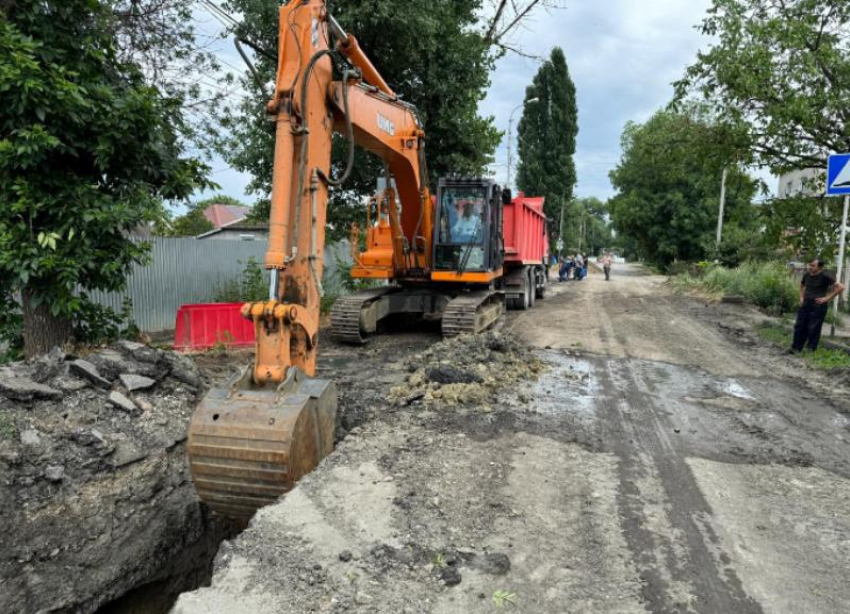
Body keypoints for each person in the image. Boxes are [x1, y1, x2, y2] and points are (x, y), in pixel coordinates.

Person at [789, 258, 845, 353]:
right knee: (799, 326)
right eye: (809, 265)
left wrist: (827, 298)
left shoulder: (825, 275)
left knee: (813, 328)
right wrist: (801, 297)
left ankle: (810, 350)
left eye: (812, 265)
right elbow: (802, 285)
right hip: (806, 304)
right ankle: (795, 348)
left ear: (819, 267)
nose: (810, 267)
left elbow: (841, 287)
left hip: (818, 306)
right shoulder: (807, 275)